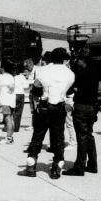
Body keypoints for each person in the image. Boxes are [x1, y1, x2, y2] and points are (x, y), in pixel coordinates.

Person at [20, 48, 75, 179]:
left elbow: (37, 90)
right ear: (64, 58)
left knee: (38, 137)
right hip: (60, 107)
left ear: (51, 58)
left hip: (44, 106)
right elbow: (69, 92)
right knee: (58, 138)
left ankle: (31, 166)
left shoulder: (43, 71)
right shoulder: (70, 73)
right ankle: (57, 166)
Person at [63, 43, 100, 176]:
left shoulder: (81, 73)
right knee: (89, 135)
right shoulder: (95, 70)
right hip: (92, 106)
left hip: (82, 106)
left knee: (82, 137)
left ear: (82, 59)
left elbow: (70, 89)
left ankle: (79, 166)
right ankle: (92, 164)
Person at [0, 61, 16, 143]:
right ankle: (11, 136)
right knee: (11, 118)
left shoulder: (1, 77)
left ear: (3, 68)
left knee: (7, 119)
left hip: (5, 100)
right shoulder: (11, 77)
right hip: (12, 100)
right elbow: (12, 87)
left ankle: (8, 138)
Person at [13, 65, 27, 132]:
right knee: (19, 112)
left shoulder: (13, 77)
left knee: (13, 111)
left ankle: (11, 126)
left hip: (14, 94)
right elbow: (26, 86)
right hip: (21, 94)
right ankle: (16, 127)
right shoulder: (22, 77)